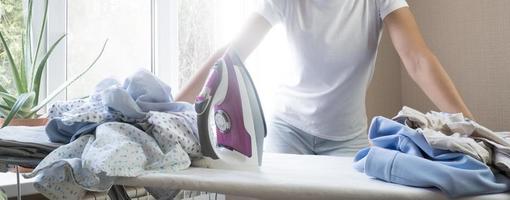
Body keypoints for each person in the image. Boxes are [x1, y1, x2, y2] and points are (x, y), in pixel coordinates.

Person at [175, 0, 474, 156]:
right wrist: (174, 107)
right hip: (287, 130)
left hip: (348, 138)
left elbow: (418, 59)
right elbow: (229, 55)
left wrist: (469, 125)